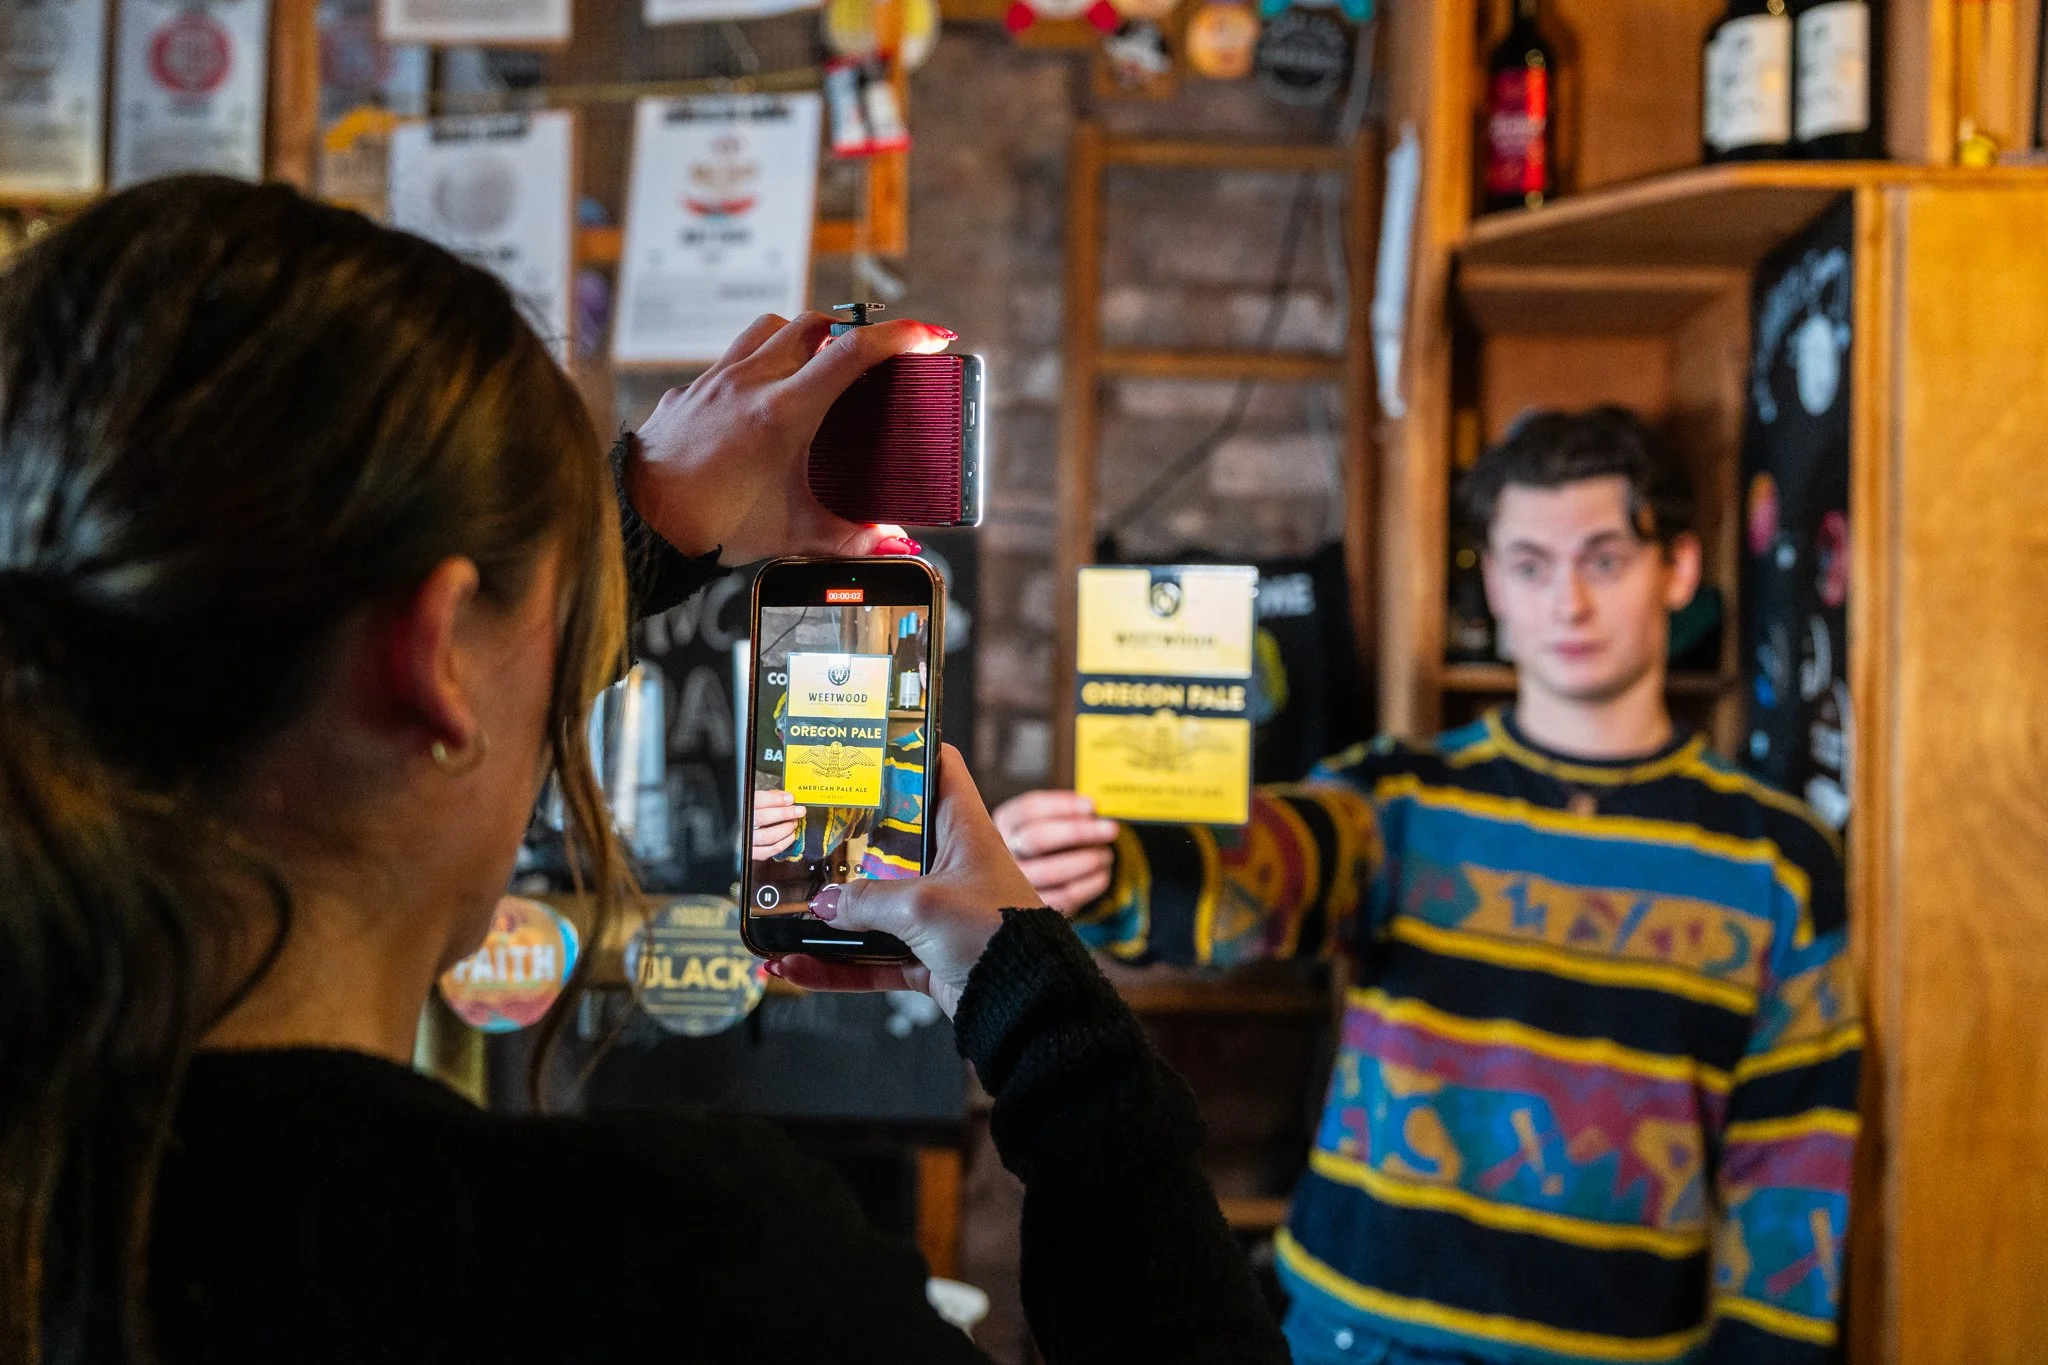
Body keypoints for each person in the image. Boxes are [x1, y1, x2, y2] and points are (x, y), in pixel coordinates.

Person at [0, 176, 1288, 1365]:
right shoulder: (679, 1276)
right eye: (550, 603)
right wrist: (1048, 1030)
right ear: (435, 654)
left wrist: (630, 528)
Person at [996, 408, 1860, 1365]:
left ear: (1679, 570)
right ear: (1493, 584)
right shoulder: (1398, 799)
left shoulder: (1776, 859)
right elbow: (1270, 866)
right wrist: (1111, 867)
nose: (1568, 602)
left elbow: (1794, 1165)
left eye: (1605, 560)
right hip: (1353, 1335)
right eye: (1529, 565)